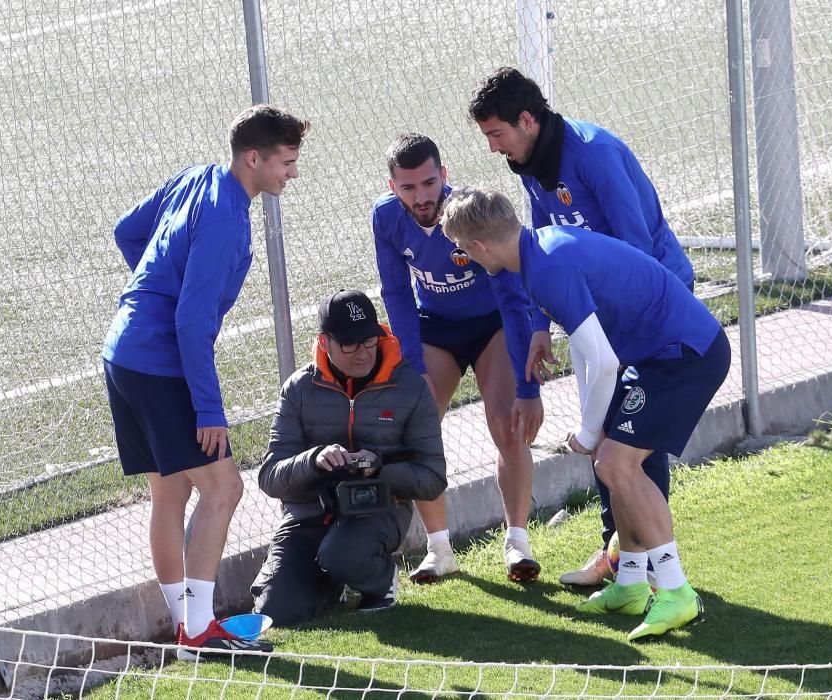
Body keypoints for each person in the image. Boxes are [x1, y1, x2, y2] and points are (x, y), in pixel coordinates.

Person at [439, 186, 730, 641]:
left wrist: (590, 428)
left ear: (478, 246)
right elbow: (585, 343)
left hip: (686, 355)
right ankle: (631, 581)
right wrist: (590, 424)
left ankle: (676, 591)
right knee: (609, 463)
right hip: (658, 356)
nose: (465, 258)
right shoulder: (540, 251)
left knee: (616, 462)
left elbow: (604, 360)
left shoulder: (546, 268)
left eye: (462, 249)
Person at [468, 66, 696, 586]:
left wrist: (619, 321)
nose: (492, 147)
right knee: (613, 436)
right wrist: (542, 324)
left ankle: (642, 565)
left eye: (496, 134)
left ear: (526, 120)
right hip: (604, 308)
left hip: (653, 306)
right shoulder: (530, 161)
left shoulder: (594, 154)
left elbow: (638, 249)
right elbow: (542, 247)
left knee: (631, 437)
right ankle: (626, 559)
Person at [101, 104, 309, 659]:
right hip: (159, 364)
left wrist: (154, 288)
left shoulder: (198, 175)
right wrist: (209, 410)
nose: (292, 172)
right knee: (223, 487)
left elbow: (129, 233)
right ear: (253, 158)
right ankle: (197, 631)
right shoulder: (225, 220)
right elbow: (190, 323)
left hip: (123, 350)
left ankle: (185, 625)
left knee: (170, 489)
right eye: (286, 162)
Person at [372, 134, 546, 584]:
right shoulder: (386, 218)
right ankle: (440, 549)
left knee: (506, 422)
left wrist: (527, 378)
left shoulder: (467, 214)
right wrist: (412, 362)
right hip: (436, 329)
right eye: (408, 188)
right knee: (419, 426)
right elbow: (396, 292)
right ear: (392, 187)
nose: (421, 196)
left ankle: (517, 542)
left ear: (444, 176)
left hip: (492, 325)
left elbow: (510, 291)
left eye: (429, 183)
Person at [250, 290, 447, 623]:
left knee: (343, 553)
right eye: (350, 345)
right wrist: (313, 460)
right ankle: (330, 581)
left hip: (378, 508)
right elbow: (270, 477)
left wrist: (379, 467)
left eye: (369, 341)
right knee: (274, 612)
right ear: (324, 342)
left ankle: (381, 582)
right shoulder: (298, 388)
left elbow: (432, 479)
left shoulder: (410, 387)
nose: (363, 354)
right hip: (308, 514)